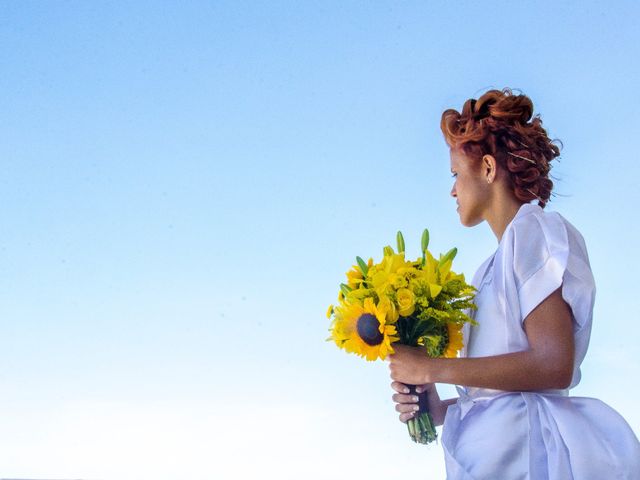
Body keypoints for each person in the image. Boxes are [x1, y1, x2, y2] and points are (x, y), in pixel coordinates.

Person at [388, 88, 640, 479]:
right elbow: (501, 395)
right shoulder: (487, 269)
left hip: (528, 459)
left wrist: (431, 369)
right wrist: (437, 408)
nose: (452, 189)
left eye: (456, 174)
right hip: (493, 461)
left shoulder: (534, 231)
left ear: (488, 168)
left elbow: (552, 365)